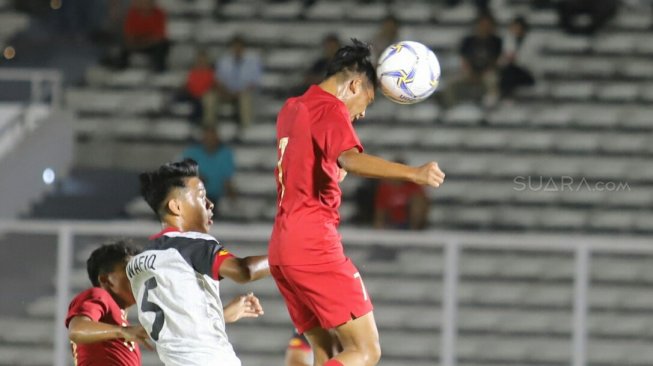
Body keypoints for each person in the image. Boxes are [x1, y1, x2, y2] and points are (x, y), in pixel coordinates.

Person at [269, 39, 445, 366]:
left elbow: (304, 164)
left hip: (282, 246)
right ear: (353, 84)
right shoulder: (330, 107)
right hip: (313, 244)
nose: (362, 112)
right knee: (366, 351)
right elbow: (349, 159)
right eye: (367, 100)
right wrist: (413, 174)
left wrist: (330, 172)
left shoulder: (293, 106)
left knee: (330, 353)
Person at [128, 158, 268, 366]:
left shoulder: (137, 262)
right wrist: (288, 254)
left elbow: (178, 321)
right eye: (202, 196)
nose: (210, 203)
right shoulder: (192, 245)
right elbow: (244, 271)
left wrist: (222, 315)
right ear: (176, 206)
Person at [66, 241, 151, 366]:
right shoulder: (98, 295)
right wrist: (121, 331)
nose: (139, 278)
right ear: (105, 279)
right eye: (130, 271)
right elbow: (77, 330)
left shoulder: (121, 328)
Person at [441, 12, 502, 108]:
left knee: (493, 80)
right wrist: (470, 72)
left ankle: (490, 109)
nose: (485, 27)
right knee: (450, 82)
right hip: (469, 71)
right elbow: (463, 59)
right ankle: (450, 108)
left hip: (487, 72)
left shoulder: (496, 41)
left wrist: (482, 74)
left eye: (488, 25)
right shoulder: (468, 40)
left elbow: (496, 60)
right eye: (482, 24)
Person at [214, 35, 262, 133]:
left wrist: (239, 93)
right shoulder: (224, 61)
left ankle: (246, 129)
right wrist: (226, 92)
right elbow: (218, 80)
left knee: (245, 99)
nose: (237, 49)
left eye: (239, 47)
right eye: (235, 47)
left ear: (243, 48)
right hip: (226, 93)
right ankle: (210, 128)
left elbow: (254, 83)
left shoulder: (253, 62)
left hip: (244, 93)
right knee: (209, 98)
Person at [182, 127, 236, 214]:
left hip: (216, 197)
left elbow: (228, 179)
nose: (210, 140)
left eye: (212, 137)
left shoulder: (226, 154)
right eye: (207, 136)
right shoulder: (192, 152)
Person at [118, 0, 170, 72]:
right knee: (123, 45)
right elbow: (128, 34)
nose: (144, 4)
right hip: (136, 43)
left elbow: (159, 36)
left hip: (153, 45)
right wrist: (139, 41)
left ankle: (159, 68)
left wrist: (146, 40)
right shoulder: (132, 13)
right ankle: (121, 68)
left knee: (164, 44)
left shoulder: (159, 13)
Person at [499, 16, 535, 99]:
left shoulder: (531, 42)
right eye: (514, 27)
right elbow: (503, 60)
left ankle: (506, 95)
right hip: (511, 72)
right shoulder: (508, 41)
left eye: (518, 28)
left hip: (527, 73)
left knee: (510, 71)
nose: (516, 30)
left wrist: (515, 59)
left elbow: (531, 62)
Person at [180, 50, 217, 125]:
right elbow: (187, 85)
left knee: (202, 102)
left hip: (203, 97)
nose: (201, 62)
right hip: (192, 95)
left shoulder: (210, 73)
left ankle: (202, 124)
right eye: (199, 60)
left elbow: (212, 86)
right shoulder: (192, 72)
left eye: (203, 60)